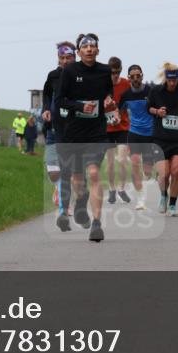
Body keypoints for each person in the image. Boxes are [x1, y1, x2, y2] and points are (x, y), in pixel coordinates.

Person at [57, 33, 116, 241]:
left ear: (98, 50)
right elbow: (61, 100)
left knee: (93, 173)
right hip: (74, 133)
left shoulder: (104, 70)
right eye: (85, 46)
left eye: (93, 46)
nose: (89, 49)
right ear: (79, 51)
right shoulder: (70, 71)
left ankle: (97, 224)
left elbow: (109, 91)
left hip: (97, 132)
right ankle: (81, 204)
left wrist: (109, 99)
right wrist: (81, 106)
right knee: (77, 180)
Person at [147, 63, 178, 216]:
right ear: (166, 79)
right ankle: (163, 196)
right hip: (160, 138)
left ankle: (172, 204)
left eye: (175, 80)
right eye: (170, 80)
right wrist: (157, 111)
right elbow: (149, 108)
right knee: (164, 174)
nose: (173, 83)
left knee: (176, 171)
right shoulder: (156, 91)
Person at [42, 41, 76, 230]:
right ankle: (58, 187)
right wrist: (46, 109)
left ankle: (64, 209)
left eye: (68, 57)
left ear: (74, 57)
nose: (65, 61)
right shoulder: (53, 75)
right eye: (62, 58)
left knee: (67, 172)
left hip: (72, 130)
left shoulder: (81, 76)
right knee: (54, 172)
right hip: (53, 129)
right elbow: (47, 94)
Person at [120, 64, 156, 210]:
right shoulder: (126, 95)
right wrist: (116, 117)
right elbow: (117, 111)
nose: (135, 78)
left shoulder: (151, 92)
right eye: (132, 76)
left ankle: (151, 173)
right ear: (128, 78)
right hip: (134, 132)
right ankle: (140, 199)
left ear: (142, 76)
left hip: (150, 134)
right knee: (134, 163)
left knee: (147, 171)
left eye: (138, 75)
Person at [104, 56, 132, 205]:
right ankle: (111, 188)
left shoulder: (126, 84)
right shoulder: (102, 84)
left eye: (118, 72)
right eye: (113, 72)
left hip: (122, 127)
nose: (115, 75)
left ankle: (121, 188)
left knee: (121, 160)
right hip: (107, 128)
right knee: (109, 163)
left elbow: (132, 101)